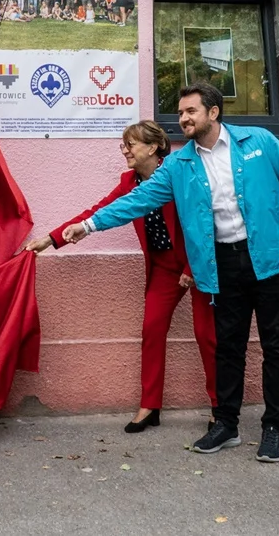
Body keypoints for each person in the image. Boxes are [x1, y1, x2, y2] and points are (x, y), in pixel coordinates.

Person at [63, 83, 279, 463]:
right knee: (228, 348)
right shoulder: (180, 165)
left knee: (275, 348)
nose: (182, 119)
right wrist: (88, 226)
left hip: (272, 260)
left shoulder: (259, 142)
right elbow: (137, 200)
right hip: (222, 263)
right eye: (181, 113)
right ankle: (226, 424)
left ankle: (272, 428)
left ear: (213, 113)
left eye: (190, 112)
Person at [25, 122, 216, 433]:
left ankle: (219, 408)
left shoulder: (181, 171)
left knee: (207, 336)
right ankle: (150, 406)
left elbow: (203, 219)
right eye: (123, 146)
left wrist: (193, 270)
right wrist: (52, 238)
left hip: (197, 265)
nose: (125, 151)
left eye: (131, 145)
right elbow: (100, 210)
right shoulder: (129, 181)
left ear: (153, 148)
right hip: (164, 268)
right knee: (151, 331)